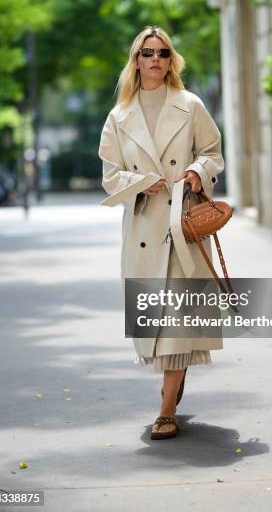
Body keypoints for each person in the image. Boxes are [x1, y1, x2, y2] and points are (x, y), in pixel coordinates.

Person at [98, 25, 224, 439]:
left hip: (182, 225)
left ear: (172, 61)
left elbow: (212, 153)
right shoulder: (119, 117)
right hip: (143, 226)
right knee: (158, 321)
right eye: (147, 52)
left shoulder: (190, 105)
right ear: (136, 60)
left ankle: (166, 409)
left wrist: (195, 172)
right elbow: (111, 176)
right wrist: (139, 184)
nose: (155, 59)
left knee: (179, 320)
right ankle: (175, 375)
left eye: (163, 53)